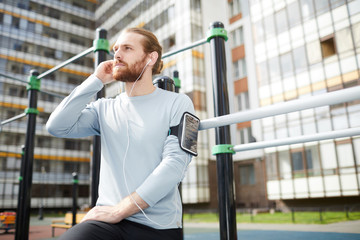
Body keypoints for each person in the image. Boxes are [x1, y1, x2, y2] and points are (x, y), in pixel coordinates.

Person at [46, 27, 195, 240]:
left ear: (150, 58)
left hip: (158, 227)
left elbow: (176, 163)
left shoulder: (178, 103)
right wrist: (96, 79)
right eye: (116, 49)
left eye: (127, 48)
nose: (117, 54)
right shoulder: (103, 108)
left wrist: (121, 210)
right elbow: (56, 126)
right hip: (106, 223)